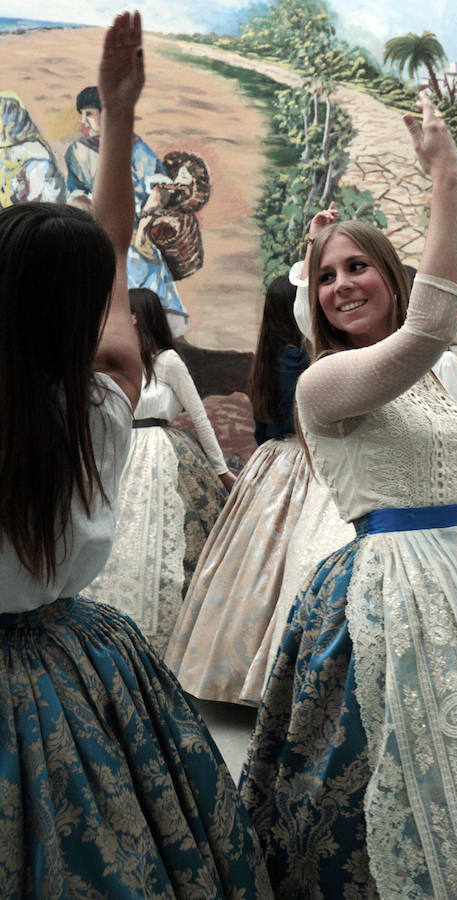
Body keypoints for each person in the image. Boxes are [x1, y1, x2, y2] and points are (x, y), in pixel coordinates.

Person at [240, 93, 457, 898]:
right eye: (326, 275)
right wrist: (447, 181)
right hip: (387, 598)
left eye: (357, 266)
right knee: (385, 784)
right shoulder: (327, 383)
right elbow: (433, 327)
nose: (341, 284)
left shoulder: (438, 373)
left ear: (389, 277)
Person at [0, 14, 271, 897]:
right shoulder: (102, 406)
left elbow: (99, 252)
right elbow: (109, 253)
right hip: (77, 666)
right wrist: (121, 115)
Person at [165, 276, 312, 705]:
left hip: (271, 461)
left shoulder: (266, 357)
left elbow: (263, 428)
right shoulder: (296, 358)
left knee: (252, 567)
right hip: (301, 459)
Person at [82, 287, 235, 657]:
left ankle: (163, 642)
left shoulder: (167, 361)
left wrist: (221, 470)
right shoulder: (114, 363)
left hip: (161, 457)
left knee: (163, 542)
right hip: (119, 452)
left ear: (135, 316)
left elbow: (198, 415)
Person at [65, 83, 189, 334]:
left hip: (133, 236)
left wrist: (143, 226)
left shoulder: (133, 147)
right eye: (82, 115)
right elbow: (74, 191)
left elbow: (158, 189)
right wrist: (86, 211)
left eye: (89, 113)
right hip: (95, 235)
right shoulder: (76, 152)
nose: (84, 121)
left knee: (142, 291)